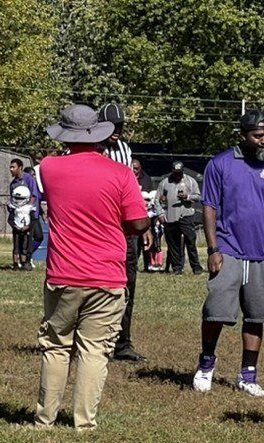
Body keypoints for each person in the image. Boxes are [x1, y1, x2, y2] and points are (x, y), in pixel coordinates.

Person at [34, 104, 149, 430]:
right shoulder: (121, 173)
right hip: (107, 275)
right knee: (94, 351)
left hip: (63, 272)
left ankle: (45, 419)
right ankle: (84, 423)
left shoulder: (49, 168)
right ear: (99, 133)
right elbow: (139, 222)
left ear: (64, 134)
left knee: (56, 347)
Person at [192, 110, 264, 397]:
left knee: (256, 315)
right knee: (216, 311)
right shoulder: (221, 164)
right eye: (258, 136)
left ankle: (248, 375)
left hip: (263, 252)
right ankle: (206, 365)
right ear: (243, 136)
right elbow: (209, 208)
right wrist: (213, 249)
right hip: (228, 248)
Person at [100, 103, 148, 362]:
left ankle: (122, 343)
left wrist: (139, 223)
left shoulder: (124, 150)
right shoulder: (90, 150)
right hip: (99, 227)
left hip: (124, 229)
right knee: (95, 285)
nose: (116, 130)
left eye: (120, 125)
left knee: (127, 284)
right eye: (111, 125)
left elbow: (130, 188)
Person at [159, 161, 203, 275]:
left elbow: (198, 196)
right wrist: (160, 214)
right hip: (170, 216)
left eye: (179, 173)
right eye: (175, 173)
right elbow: (157, 199)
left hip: (186, 215)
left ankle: (196, 267)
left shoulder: (190, 181)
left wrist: (187, 197)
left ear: (182, 171)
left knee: (190, 241)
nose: (177, 175)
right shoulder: (165, 182)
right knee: (174, 244)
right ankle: (177, 268)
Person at [8, 158, 39, 270]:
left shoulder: (29, 179)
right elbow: (12, 199)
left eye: (13, 167)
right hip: (17, 217)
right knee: (17, 241)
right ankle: (17, 263)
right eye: (10, 167)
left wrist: (26, 210)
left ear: (20, 168)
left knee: (29, 239)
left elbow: (34, 196)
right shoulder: (13, 184)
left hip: (29, 215)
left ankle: (27, 262)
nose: (11, 169)